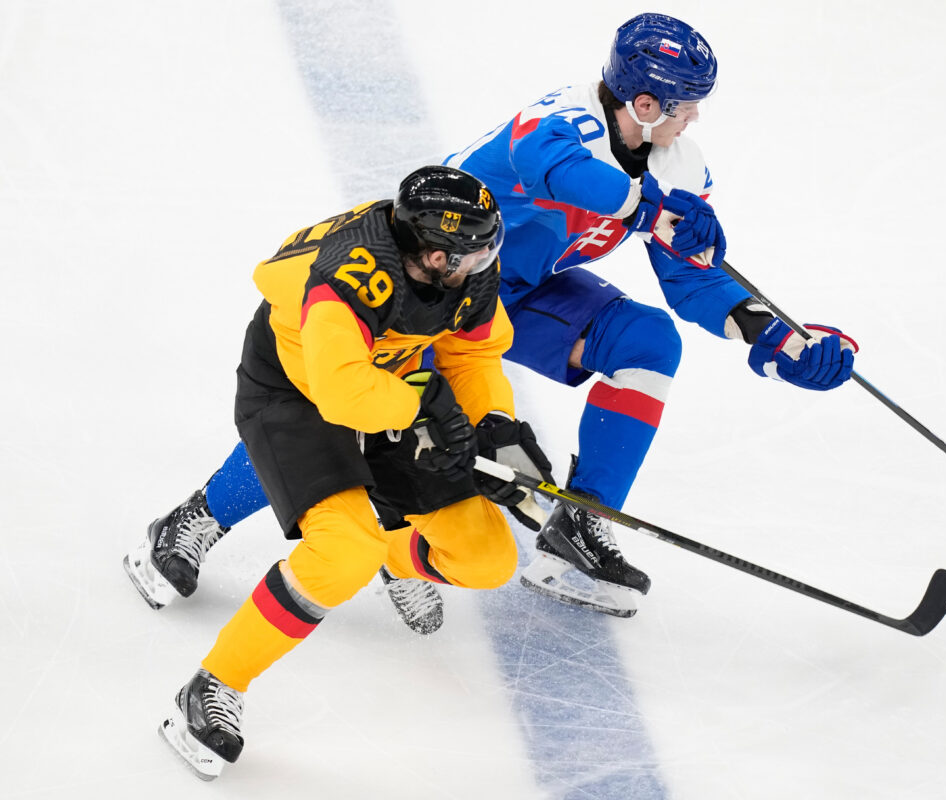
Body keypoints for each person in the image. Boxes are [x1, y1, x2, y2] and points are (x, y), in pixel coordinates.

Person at [125, 12, 856, 623]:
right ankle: (198, 517)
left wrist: (774, 337)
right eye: (683, 104)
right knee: (340, 418)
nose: (693, 118)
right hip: (430, 287)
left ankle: (579, 523)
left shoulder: (676, 165)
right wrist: (648, 209)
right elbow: (553, 172)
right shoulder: (562, 117)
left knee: (649, 341)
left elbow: (691, 284)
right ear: (641, 104)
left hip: (521, 293)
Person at [131, 166, 553, 779]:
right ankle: (213, 682)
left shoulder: (466, 271)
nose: (488, 260)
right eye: (476, 250)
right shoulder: (350, 274)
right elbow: (341, 394)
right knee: (339, 553)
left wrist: (491, 425)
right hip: (297, 392)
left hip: (393, 380)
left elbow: (474, 353)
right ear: (436, 255)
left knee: (487, 557)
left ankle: (389, 551)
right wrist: (424, 408)